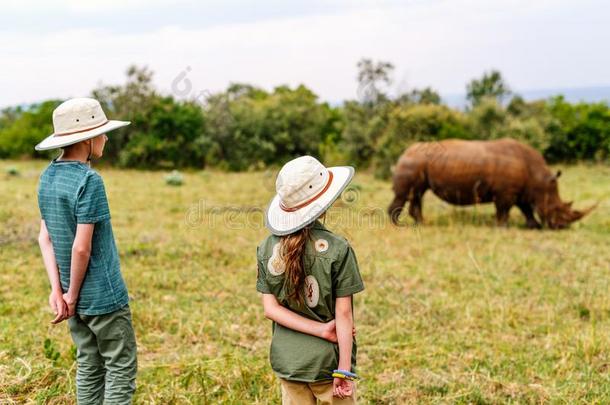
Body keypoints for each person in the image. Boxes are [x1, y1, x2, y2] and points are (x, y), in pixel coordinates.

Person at [35, 98, 137, 403]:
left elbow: (45, 238)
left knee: (89, 364)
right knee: (120, 366)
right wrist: (74, 294)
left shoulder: (47, 177)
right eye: (103, 132)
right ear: (88, 138)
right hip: (102, 296)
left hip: (69, 295)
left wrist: (60, 292)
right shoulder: (90, 180)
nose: (106, 137)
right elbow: (82, 248)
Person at [257, 156, 365, 404]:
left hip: (289, 363)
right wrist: (344, 371)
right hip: (328, 365)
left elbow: (270, 309)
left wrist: (320, 330)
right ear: (323, 203)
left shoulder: (265, 249)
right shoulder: (339, 249)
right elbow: (344, 315)